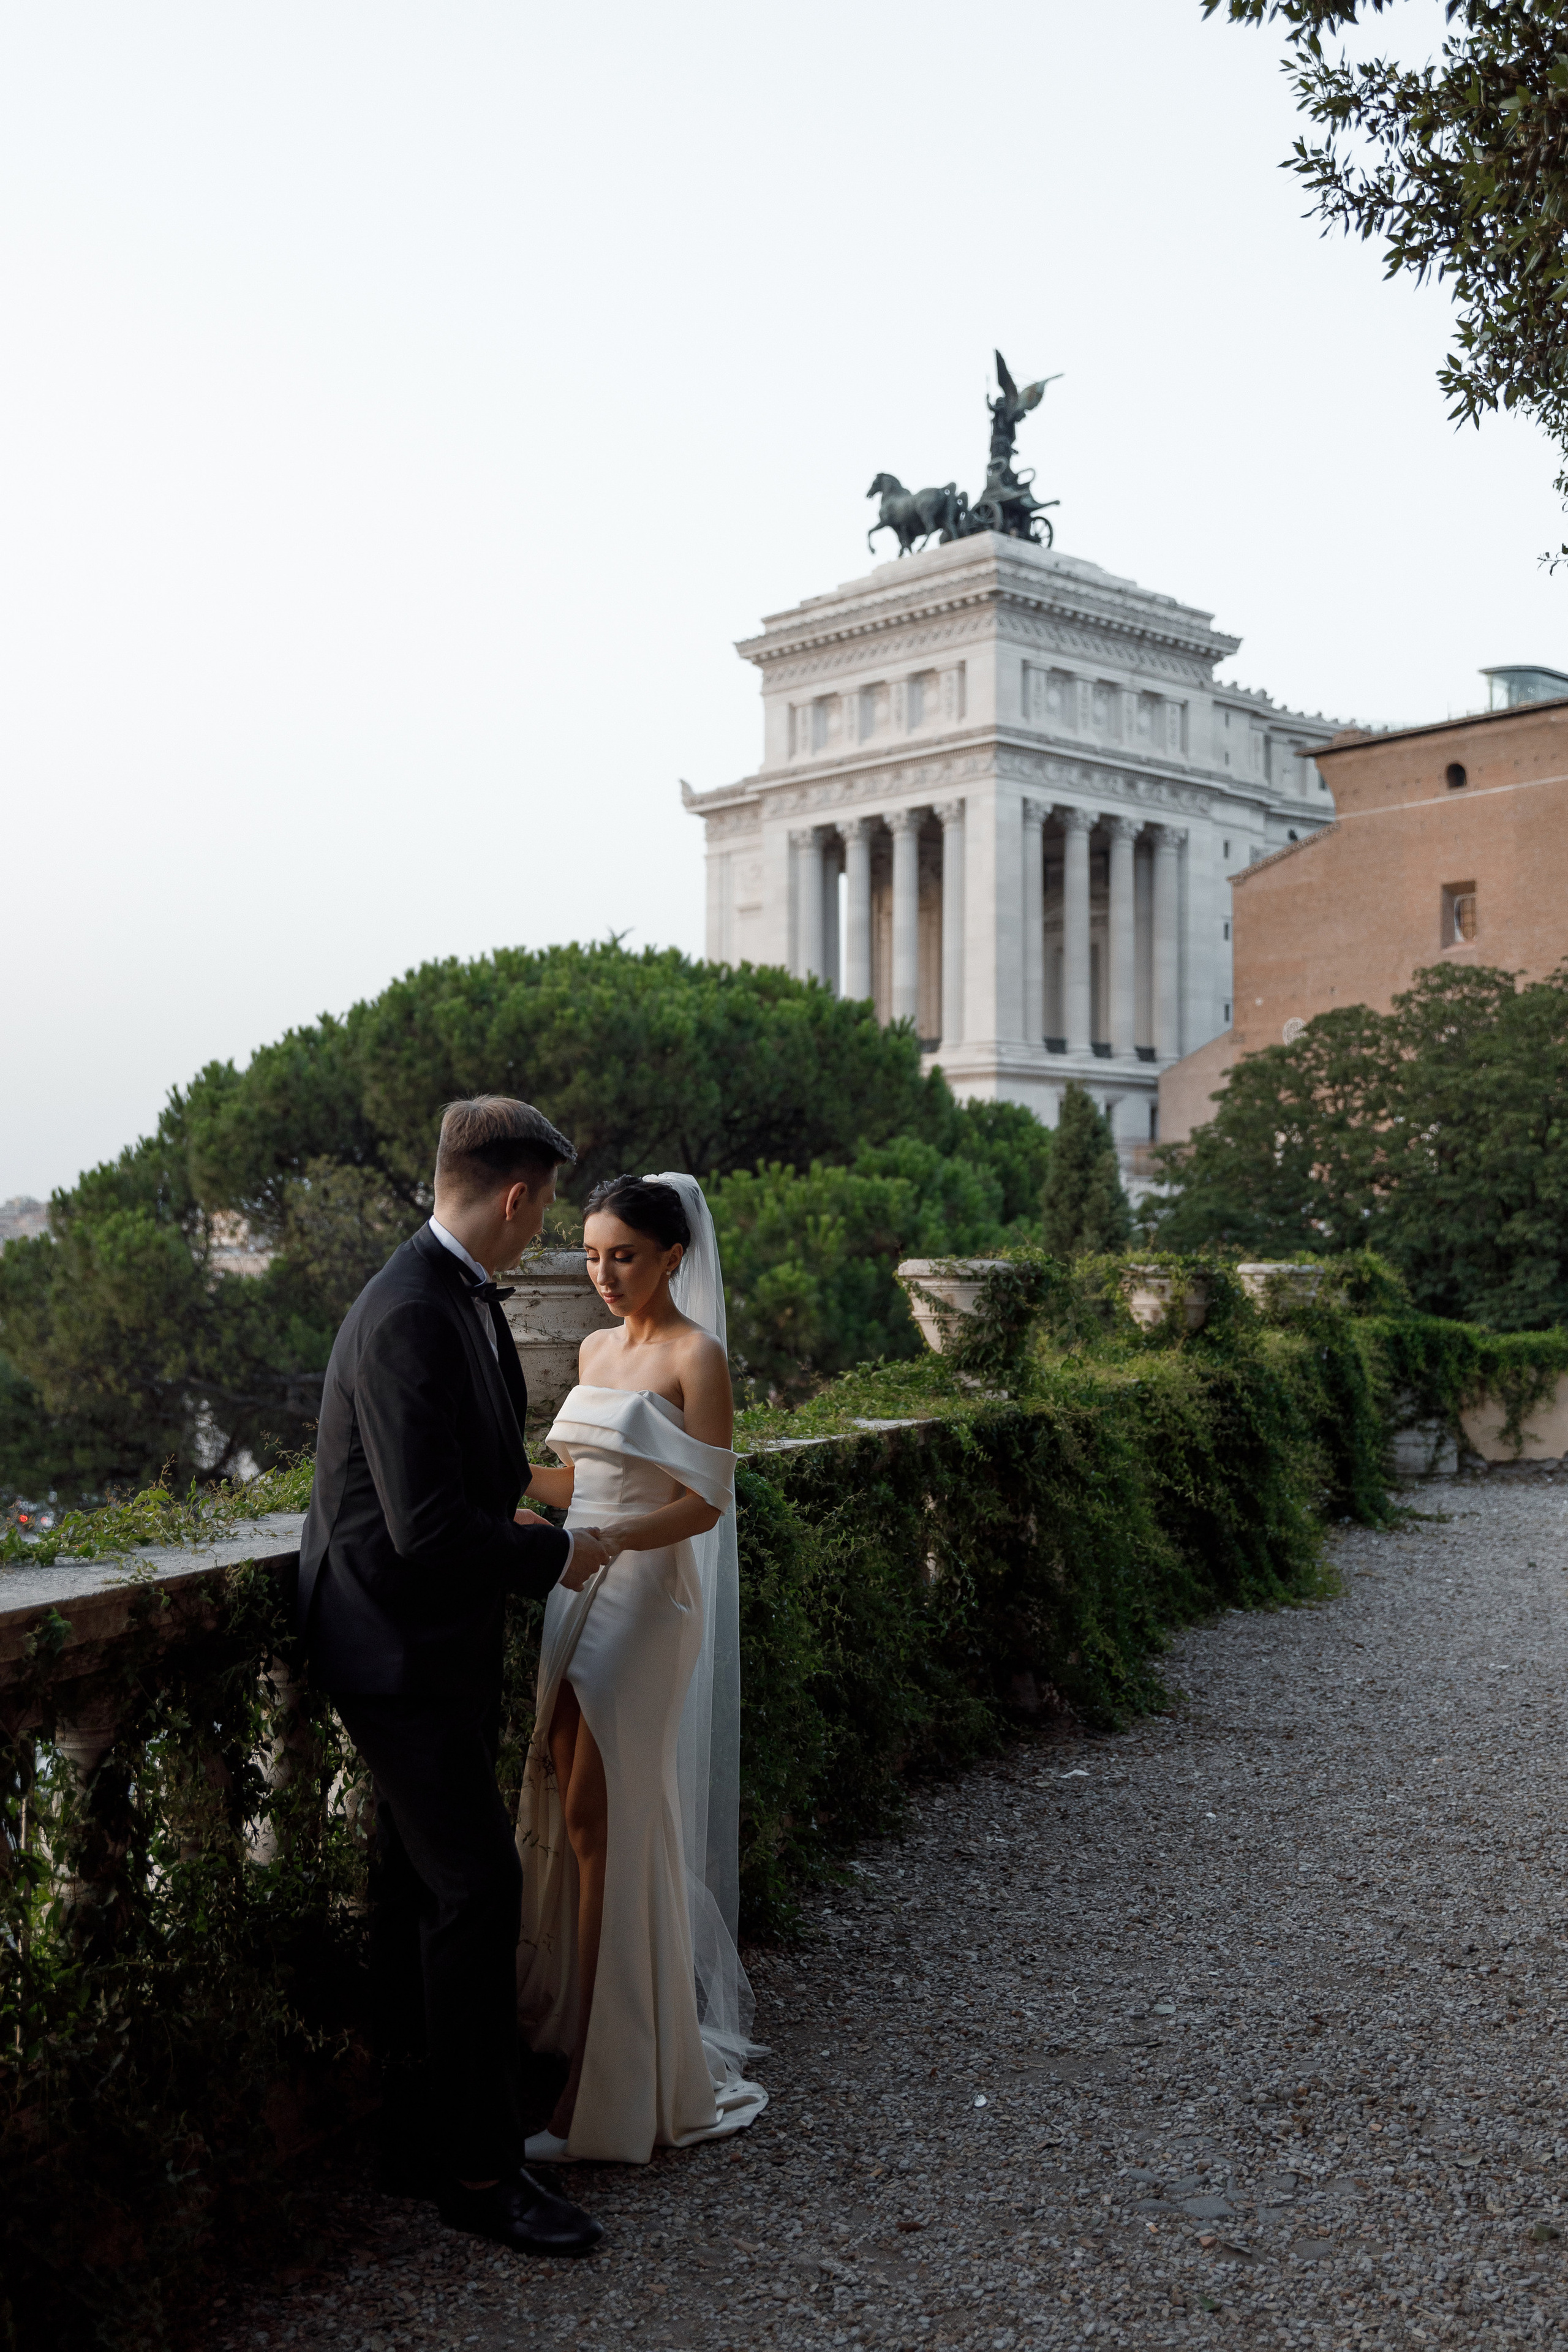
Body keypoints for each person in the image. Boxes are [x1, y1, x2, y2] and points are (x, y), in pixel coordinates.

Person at [297, 1095, 609, 2256]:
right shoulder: (412, 1315)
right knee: (476, 1891)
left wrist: (558, 1490)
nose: (541, 1236)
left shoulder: (449, 1297)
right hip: (395, 1647)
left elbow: (472, 1473)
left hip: (425, 1636)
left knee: (421, 1894)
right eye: (544, 1213)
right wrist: (559, 1552)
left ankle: (414, 2138)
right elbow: (428, 1529)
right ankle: (481, 2178)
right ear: (518, 1196)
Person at [515, 1171, 767, 2162]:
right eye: (590, 1254)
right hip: (573, 1583)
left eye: (623, 1254)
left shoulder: (696, 1356)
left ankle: (602, 2096)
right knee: (580, 1814)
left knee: (615, 1814)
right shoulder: (590, 1348)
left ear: (672, 1255)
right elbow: (571, 1479)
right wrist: (503, 1475)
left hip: (644, 1596)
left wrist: (613, 1538)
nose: (604, 1273)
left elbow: (707, 1500)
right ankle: (608, 2039)